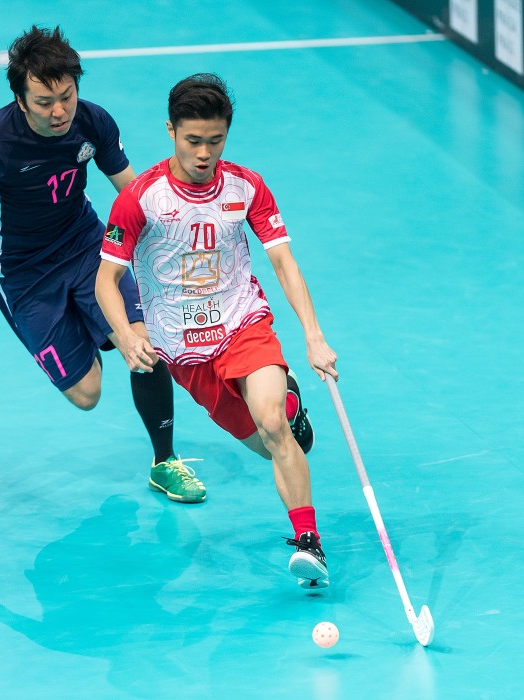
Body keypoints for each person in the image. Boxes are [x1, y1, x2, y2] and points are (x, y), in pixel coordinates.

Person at [0, 26, 207, 503]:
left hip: (85, 246)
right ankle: (94, 329)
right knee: (87, 395)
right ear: (21, 101)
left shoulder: (92, 122)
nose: (60, 111)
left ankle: (164, 461)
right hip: (22, 274)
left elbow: (130, 195)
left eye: (66, 96)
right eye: (45, 102)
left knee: (146, 345)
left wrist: (170, 250)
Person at [95, 73, 339, 588]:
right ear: (170, 131)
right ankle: (289, 405)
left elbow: (284, 263)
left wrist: (313, 335)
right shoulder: (140, 199)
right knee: (270, 443)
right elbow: (105, 281)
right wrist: (127, 333)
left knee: (271, 425)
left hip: (241, 323)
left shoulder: (246, 186)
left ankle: (309, 543)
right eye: (193, 140)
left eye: (216, 140)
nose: (204, 153)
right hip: (184, 354)